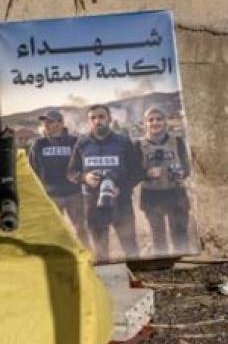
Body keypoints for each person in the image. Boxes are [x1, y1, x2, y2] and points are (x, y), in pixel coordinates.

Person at [66, 104, 142, 262]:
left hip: (121, 202)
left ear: (109, 119)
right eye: (93, 118)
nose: (97, 121)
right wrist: (84, 177)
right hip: (93, 204)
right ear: (89, 122)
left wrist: (121, 188)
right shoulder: (82, 143)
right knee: (101, 251)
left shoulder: (123, 141)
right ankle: (106, 280)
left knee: (130, 247)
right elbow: (71, 172)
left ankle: (137, 277)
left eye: (101, 117)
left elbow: (137, 171)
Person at [135, 106, 192, 255]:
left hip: (176, 193)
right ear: (145, 123)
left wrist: (180, 173)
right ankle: (163, 263)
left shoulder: (177, 141)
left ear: (165, 121)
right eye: (150, 119)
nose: (155, 122)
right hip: (152, 196)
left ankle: (182, 261)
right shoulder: (139, 145)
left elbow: (187, 167)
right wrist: (147, 173)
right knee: (158, 236)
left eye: (159, 119)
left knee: (180, 233)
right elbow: (133, 172)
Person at [27, 110, 87, 246]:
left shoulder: (74, 142)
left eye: (50, 121)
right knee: (53, 232)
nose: (45, 124)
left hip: (74, 194)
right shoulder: (38, 144)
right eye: (44, 122)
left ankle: (89, 257)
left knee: (81, 230)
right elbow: (32, 170)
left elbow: (83, 166)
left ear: (60, 123)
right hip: (50, 196)